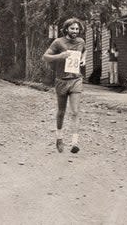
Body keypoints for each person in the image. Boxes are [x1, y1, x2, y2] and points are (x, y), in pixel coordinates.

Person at [43, 18, 86, 154]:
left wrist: (83, 59)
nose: (75, 31)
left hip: (76, 80)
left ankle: (74, 143)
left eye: (77, 29)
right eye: (72, 28)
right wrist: (60, 56)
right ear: (66, 29)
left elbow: (83, 51)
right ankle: (59, 138)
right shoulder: (58, 42)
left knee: (75, 111)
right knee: (61, 112)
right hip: (61, 80)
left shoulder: (81, 41)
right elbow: (45, 57)